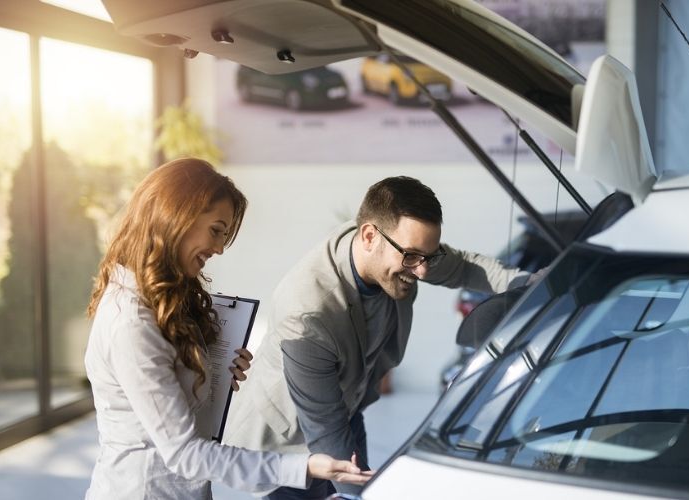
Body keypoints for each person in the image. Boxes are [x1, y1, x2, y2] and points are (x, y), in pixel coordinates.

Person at [224, 176, 538, 498]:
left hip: (345, 411)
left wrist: (531, 283)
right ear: (370, 237)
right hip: (282, 450)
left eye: (428, 257)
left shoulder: (402, 252)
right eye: (413, 256)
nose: (422, 272)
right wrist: (359, 493)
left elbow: (464, 267)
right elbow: (325, 430)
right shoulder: (307, 314)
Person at [84, 158, 370, 499]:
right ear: (177, 216)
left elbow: (181, 417)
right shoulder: (132, 323)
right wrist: (302, 467)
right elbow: (185, 453)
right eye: (217, 230)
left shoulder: (160, 301)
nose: (219, 248)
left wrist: (213, 376)